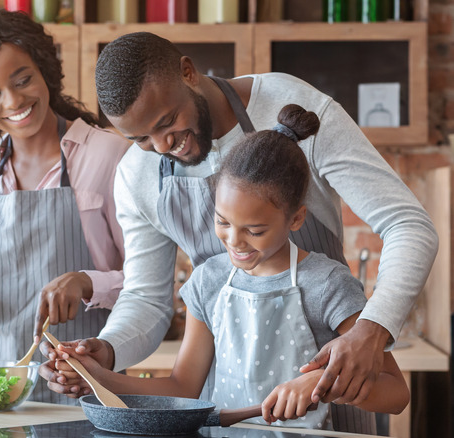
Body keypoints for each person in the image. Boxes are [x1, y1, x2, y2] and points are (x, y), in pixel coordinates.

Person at [40, 32, 437, 431]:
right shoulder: (138, 178)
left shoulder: (292, 107)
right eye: (141, 138)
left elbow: (408, 224)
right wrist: (105, 354)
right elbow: (146, 298)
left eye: (166, 122)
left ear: (188, 72)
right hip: (228, 410)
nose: (163, 146)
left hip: (339, 390)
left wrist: (370, 330)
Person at [0, 7, 129, 405]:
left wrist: (87, 282)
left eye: (23, 80)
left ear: (44, 69)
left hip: (86, 387)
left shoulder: (108, 155)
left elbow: (147, 286)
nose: (14, 101)